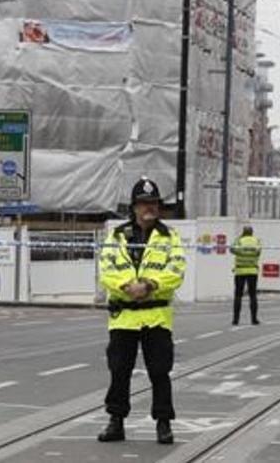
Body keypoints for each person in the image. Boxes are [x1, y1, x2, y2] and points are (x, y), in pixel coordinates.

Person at [96, 177, 186, 445]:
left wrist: (149, 285)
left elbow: (177, 270)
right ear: (134, 207)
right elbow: (106, 269)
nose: (150, 208)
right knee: (119, 371)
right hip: (123, 317)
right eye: (144, 203)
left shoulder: (170, 237)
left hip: (156, 316)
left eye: (154, 203)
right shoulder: (117, 236)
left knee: (159, 371)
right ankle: (116, 421)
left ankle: (163, 423)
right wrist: (127, 287)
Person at [231, 225, 262, 325]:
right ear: (252, 232)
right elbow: (258, 252)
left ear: (243, 232)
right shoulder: (256, 241)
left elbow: (231, 249)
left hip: (240, 271)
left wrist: (240, 239)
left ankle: (236, 320)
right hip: (252, 271)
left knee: (238, 296)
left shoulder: (239, 241)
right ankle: (254, 319)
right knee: (253, 295)